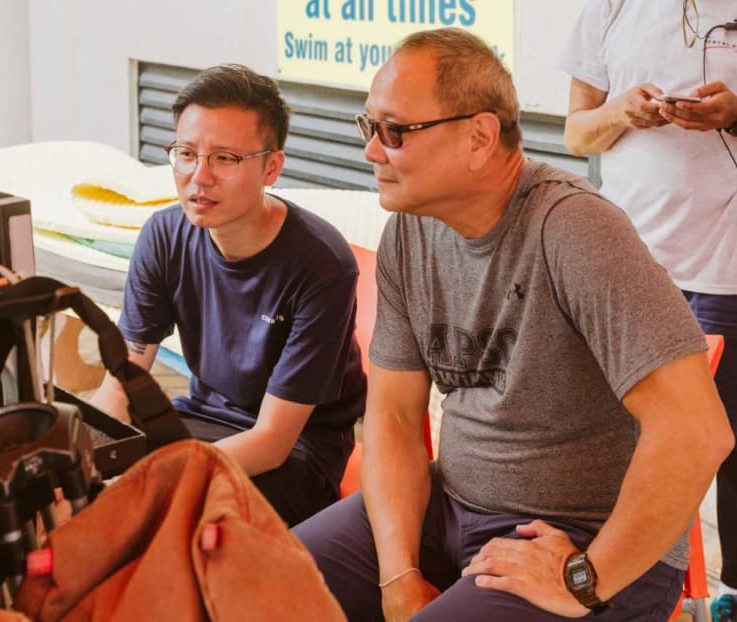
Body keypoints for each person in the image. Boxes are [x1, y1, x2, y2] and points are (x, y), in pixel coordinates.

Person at [293, 27, 734, 620]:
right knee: (254, 580)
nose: (373, 151)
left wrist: (586, 577)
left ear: (479, 138)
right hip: (449, 505)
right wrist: (399, 577)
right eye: (369, 127)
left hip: (578, 539)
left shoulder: (574, 230)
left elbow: (697, 433)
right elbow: (394, 416)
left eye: (394, 131)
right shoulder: (411, 228)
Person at [92, 64, 366, 527]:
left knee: (169, 522)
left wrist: (153, 483)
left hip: (295, 455)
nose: (199, 177)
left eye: (225, 159)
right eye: (186, 153)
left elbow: (273, 439)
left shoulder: (321, 265)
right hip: (196, 421)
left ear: (271, 167)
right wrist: (89, 455)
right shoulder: (164, 234)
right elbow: (122, 378)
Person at [559, 1, 737, 615]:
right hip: (628, 264)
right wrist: (622, 111)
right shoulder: (611, 7)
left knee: (722, 441)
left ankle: (728, 594)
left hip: (727, 269)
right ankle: (625, 580)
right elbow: (576, 132)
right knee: (618, 440)